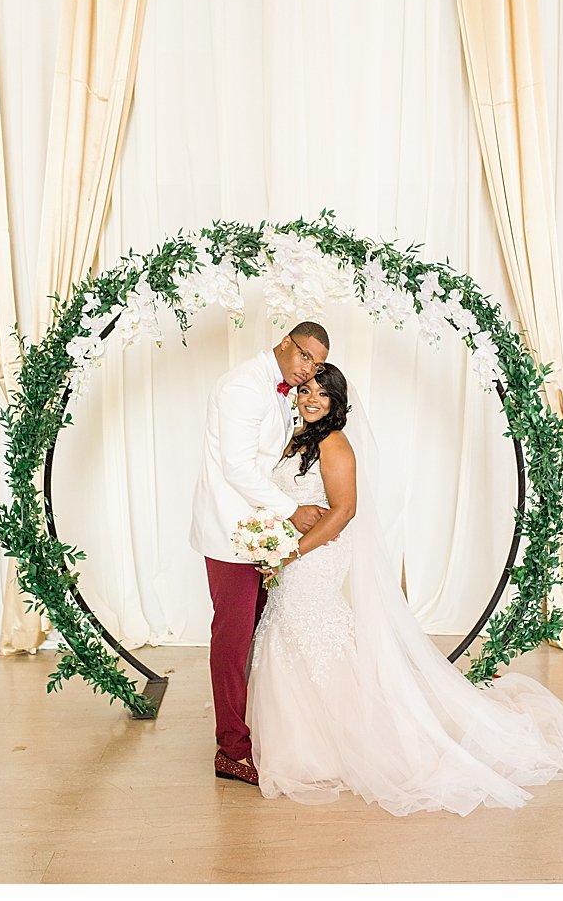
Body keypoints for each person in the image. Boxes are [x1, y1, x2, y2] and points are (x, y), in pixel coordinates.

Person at [245, 363, 563, 815]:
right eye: (307, 389)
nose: (312, 398)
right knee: (288, 630)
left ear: (337, 401)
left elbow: (345, 511)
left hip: (316, 557)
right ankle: (302, 738)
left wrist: (290, 552)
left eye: (323, 392)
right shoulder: (296, 440)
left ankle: (341, 739)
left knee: (310, 629)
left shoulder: (336, 446)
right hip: (294, 555)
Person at [190, 322, 331, 786]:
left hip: (261, 533)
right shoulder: (242, 386)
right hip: (232, 534)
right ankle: (230, 749)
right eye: (305, 356)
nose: (308, 369)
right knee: (231, 641)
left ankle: (253, 730)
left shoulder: (279, 389)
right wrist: (293, 510)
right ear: (286, 342)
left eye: (317, 364)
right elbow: (237, 467)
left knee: (254, 634)